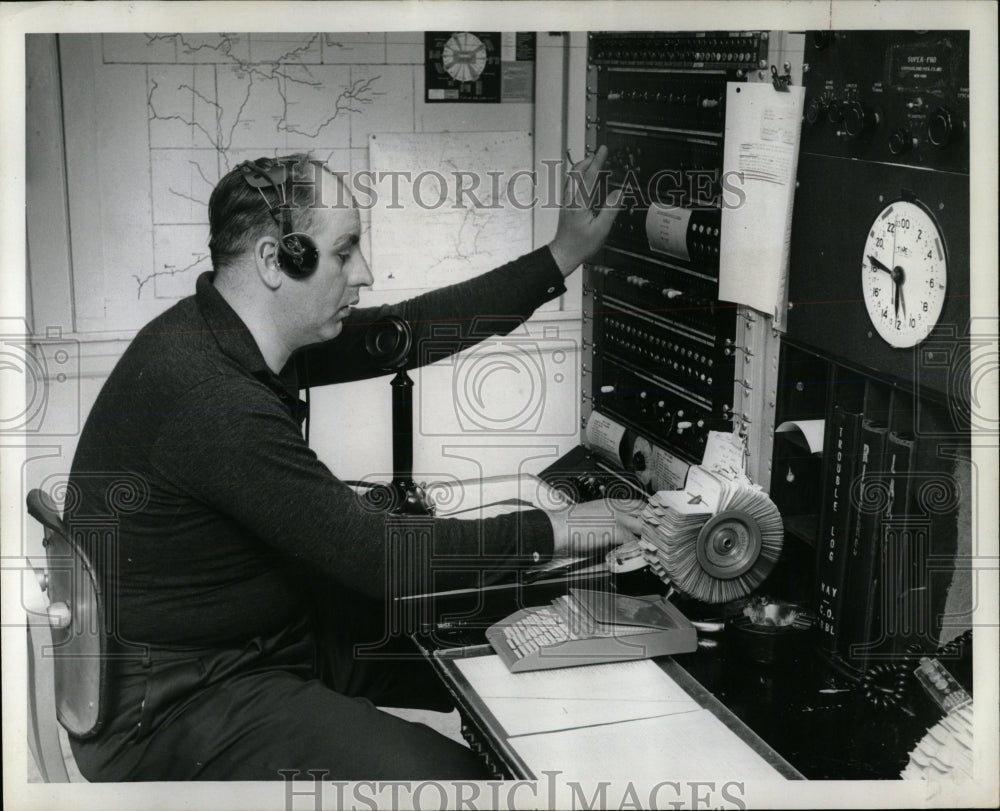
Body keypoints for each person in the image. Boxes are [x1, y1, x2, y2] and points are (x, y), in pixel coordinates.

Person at [66, 148, 637, 780]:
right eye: (344, 252)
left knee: (500, 634)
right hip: (181, 705)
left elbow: (410, 329)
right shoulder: (211, 399)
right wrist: (561, 529)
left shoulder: (221, 331)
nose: (364, 272)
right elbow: (379, 558)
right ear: (275, 261)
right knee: (460, 785)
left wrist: (563, 255)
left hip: (265, 633)